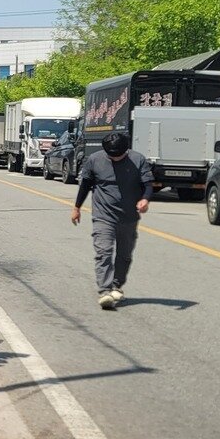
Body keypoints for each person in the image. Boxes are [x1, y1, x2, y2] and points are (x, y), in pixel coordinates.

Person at [71, 132, 153, 309]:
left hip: (129, 217)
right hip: (103, 215)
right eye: (111, 156)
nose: (115, 159)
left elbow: (147, 184)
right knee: (104, 252)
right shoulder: (94, 160)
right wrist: (77, 208)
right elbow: (85, 184)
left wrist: (145, 199)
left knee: (124, 256)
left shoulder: (138, 160)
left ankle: (117, 285)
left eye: (119, 156)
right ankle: (104, 291)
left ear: (126, 150)